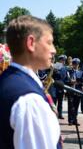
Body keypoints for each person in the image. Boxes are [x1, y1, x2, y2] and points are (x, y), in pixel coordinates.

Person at [0, 15, 61, 149]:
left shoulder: (7, 80)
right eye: (49, 42)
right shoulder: (29, 100)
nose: (54, 50)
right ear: (31, 43)